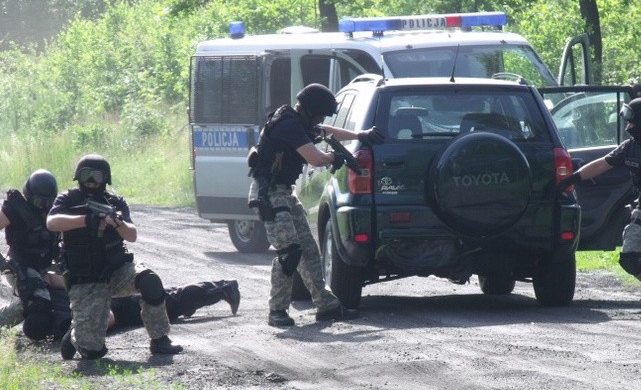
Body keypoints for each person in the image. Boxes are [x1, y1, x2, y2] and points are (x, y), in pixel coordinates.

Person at [248, 83, 384, 327]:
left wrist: (359, 135)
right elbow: (316, 158)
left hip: (284, 193)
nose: (320, 119)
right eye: (320, 113)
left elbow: (324, 131)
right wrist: (335, 156)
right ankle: (277, 310)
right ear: (310, 110)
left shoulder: (299, 121)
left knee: (309, 250)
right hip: (268, 193)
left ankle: (326, 305)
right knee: (289, 252)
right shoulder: (288, 125)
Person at [557, 97, 641, 309]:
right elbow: (603, 164)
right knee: (629, 258)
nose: (628, 127)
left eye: (633, 123)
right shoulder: (629, 148)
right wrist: (573, 178)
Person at [47, 154, 183, 359]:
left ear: (106, 179)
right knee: (92, 351)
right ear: (78, 177)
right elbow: (52, 222)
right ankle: (74, 335)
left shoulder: (115, 202)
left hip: (116, 272)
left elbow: (132, 235)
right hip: (85, 280)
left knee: (150, 281)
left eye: (97, 177)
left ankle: (160, 340)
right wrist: (87, 220)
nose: (91, 182)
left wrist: (117, 223)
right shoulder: (68, 199)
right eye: (86, 175)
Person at [18, 280, 240, 342]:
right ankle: (220, 288)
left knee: (171, 302)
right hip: (108, 298)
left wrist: (77, 332)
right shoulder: (42, 295)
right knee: (170, 296)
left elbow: (109, 318)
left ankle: (224, 289)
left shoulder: (60, 317)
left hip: (119, 306)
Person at [0, 169, 63, 339]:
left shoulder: (55, 210)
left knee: (80, 286)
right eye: (39, 201)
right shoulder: (16, 208)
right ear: (29, 196)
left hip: (45, 268)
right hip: (20, 268)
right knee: (39, 311)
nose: (44, 206)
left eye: (49, 202)